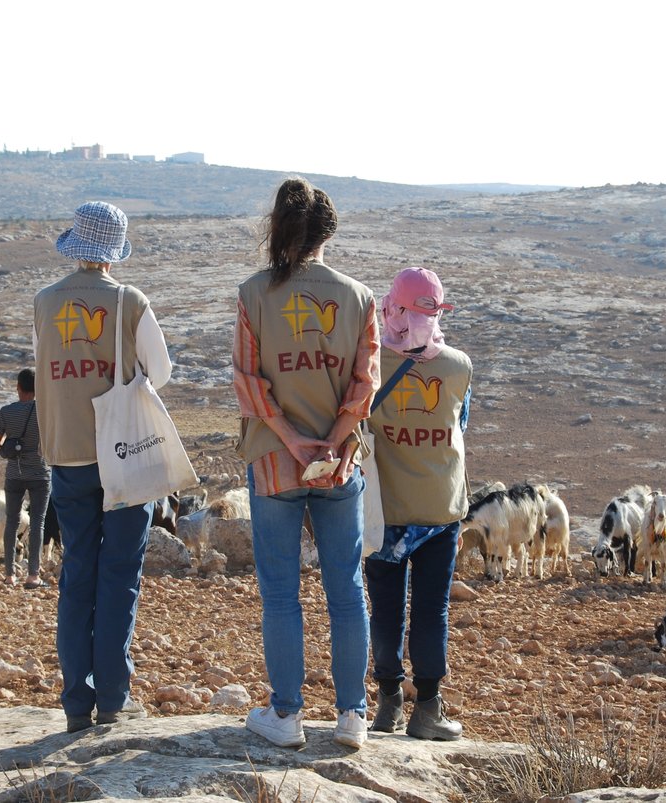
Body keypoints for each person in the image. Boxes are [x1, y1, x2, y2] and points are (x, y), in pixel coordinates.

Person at [233, 177, 380, 749]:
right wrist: (333, 438)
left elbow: (249, 381)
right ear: (328, 232)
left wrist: (292, 441)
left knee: (280, 592)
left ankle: (287, 715)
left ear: (278, 229)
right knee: (346, 588)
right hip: (340, 464)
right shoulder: (359, 297)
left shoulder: (253, 294)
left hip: (275, 464)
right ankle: (352, 717)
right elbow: (364, 384)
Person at [32, 201, 173, 733]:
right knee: (120, 574)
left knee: (77, 574)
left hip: (66, 452)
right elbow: (158, 371)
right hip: (125, 454)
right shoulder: (129, 301)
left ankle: (75, 704)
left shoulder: (45, 302)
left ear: (75, 245)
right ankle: (114, 696)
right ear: (114, 251)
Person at [364, 267, 472, 741]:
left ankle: (387, 703)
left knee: (385, 608)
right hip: (439, 509)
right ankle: (427, 709)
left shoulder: (368, 361)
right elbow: (460, 425)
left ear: (393, 309)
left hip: (383, 511)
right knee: (431, 609)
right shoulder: (458, 366)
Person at [0, 367, 50, 589]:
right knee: (37, 523)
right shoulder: (45, 411)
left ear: (18, 388)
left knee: (11, 521)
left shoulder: (6, 411)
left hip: (14, 474)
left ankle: (9, 574)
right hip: (40, 473)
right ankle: (33, 575)